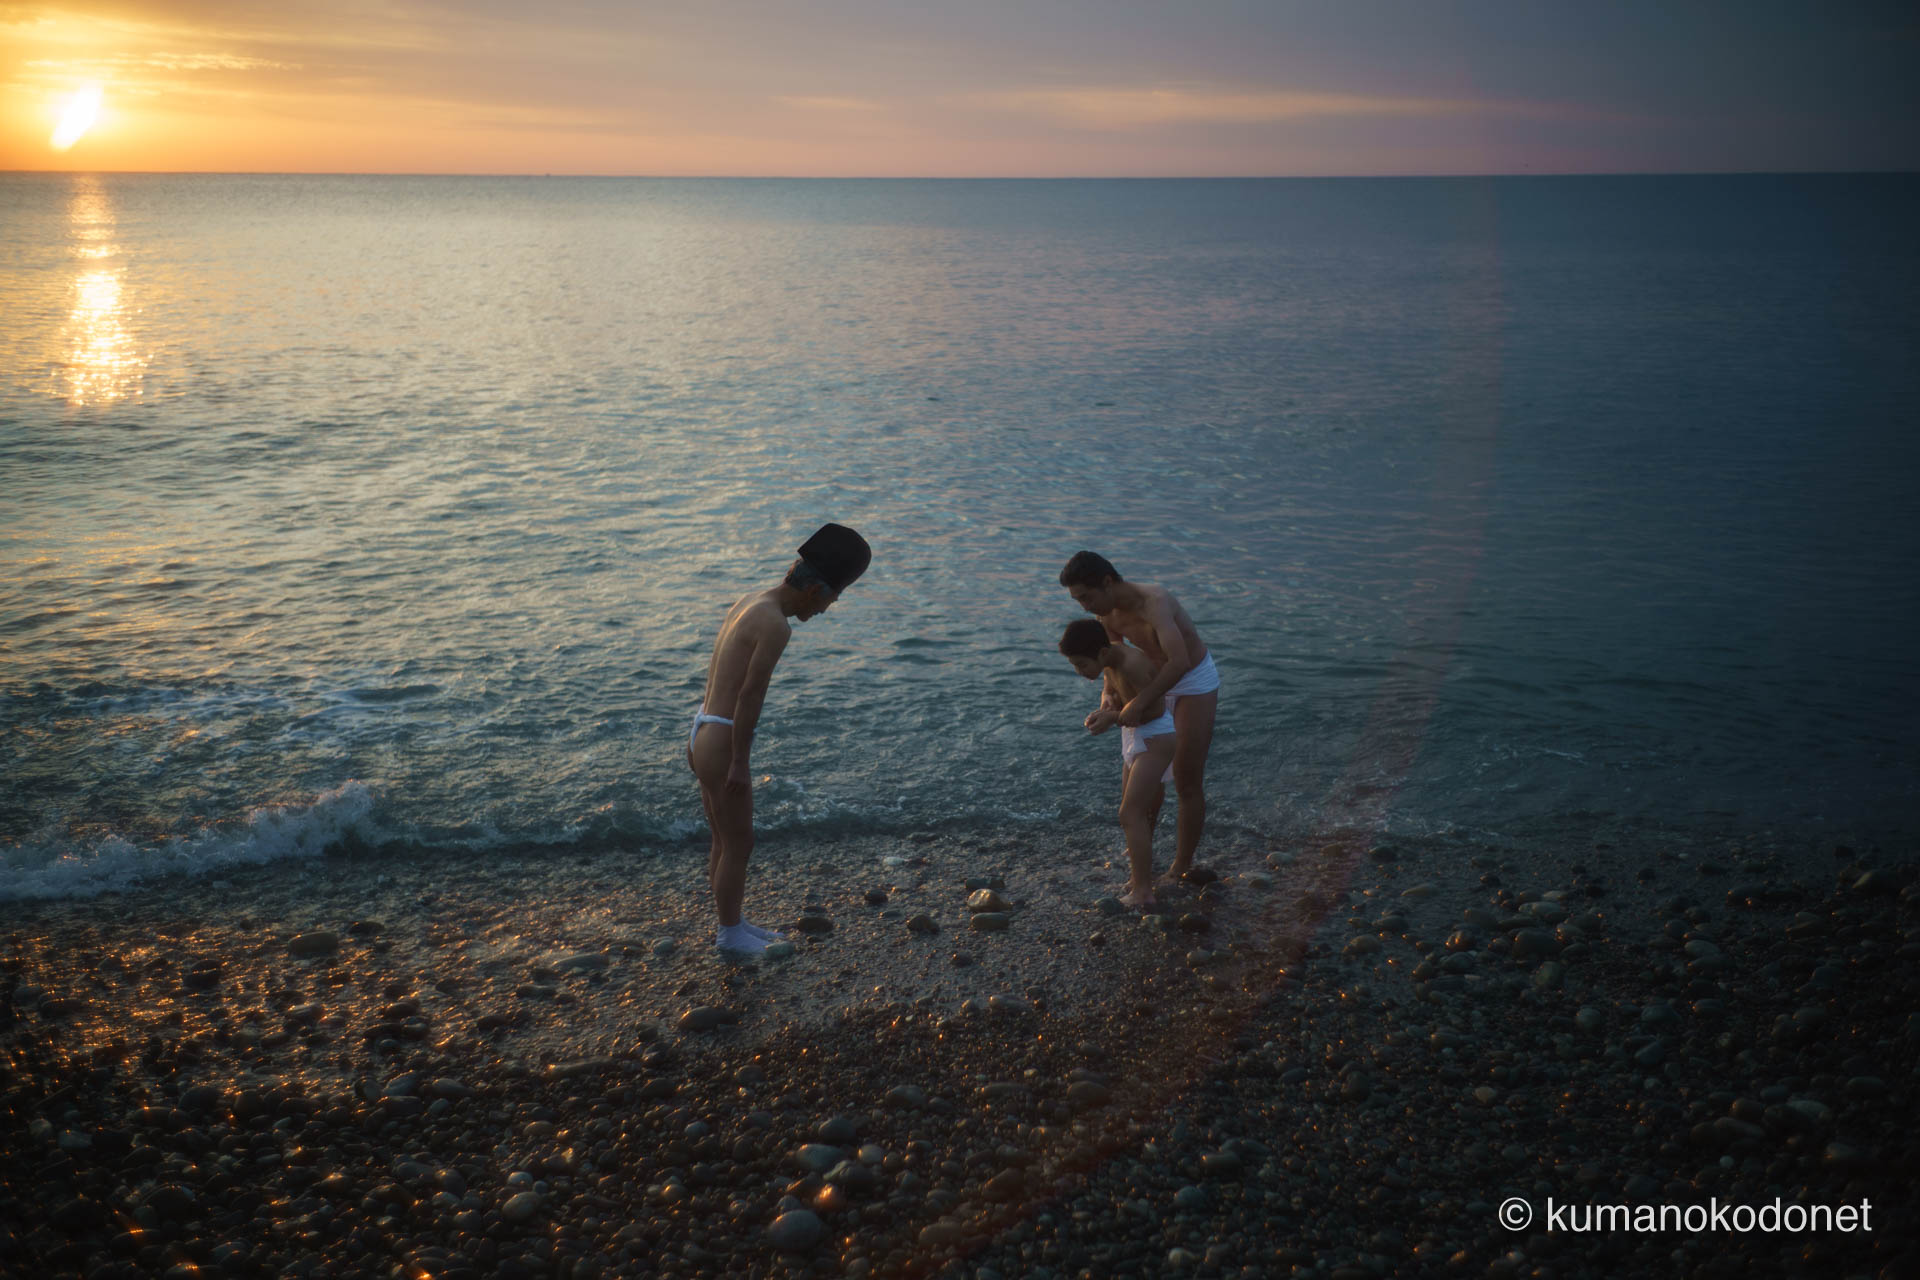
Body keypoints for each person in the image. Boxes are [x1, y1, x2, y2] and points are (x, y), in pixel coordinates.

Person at [688, 523, 870, 954]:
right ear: (815, 592)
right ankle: (729, 935)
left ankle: (731, 922)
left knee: (722, 837)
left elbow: (720, 676)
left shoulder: (750, 602)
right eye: (832, 600)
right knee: (740, 842)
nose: (826, 610)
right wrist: (740, 761)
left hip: (701, 728)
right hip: (723, 738)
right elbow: (750, 696)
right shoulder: (776, 625)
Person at [1059, 550, 1219, 881]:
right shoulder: (1107, 616)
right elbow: (1112, 660)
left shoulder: (1155, 602)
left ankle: (1181, 867)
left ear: (1107, 582)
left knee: (1187, 780)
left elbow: (1180, 662)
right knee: (1144, 776)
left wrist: (1140, 703)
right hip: (1145, 679)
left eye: (1086, 597)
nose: (1084, 607)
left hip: (1191, 681)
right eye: (1078, 601)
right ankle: (1141, 854)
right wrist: (1109, 697)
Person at [1059, 619, 1176, 908]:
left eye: (1082, 665)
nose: (1079, 672)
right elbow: (1110, 687)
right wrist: (1106, 703)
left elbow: (1156, 708)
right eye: (1074, 665)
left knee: (1129, 813)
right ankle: (1140, 877)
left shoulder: (1132, 663)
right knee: (1135, 809)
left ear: (1100, 653)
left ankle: (1143, 892)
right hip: (1133, 735)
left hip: (1155, 738)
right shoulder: (1110, 657)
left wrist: (1112, 718)